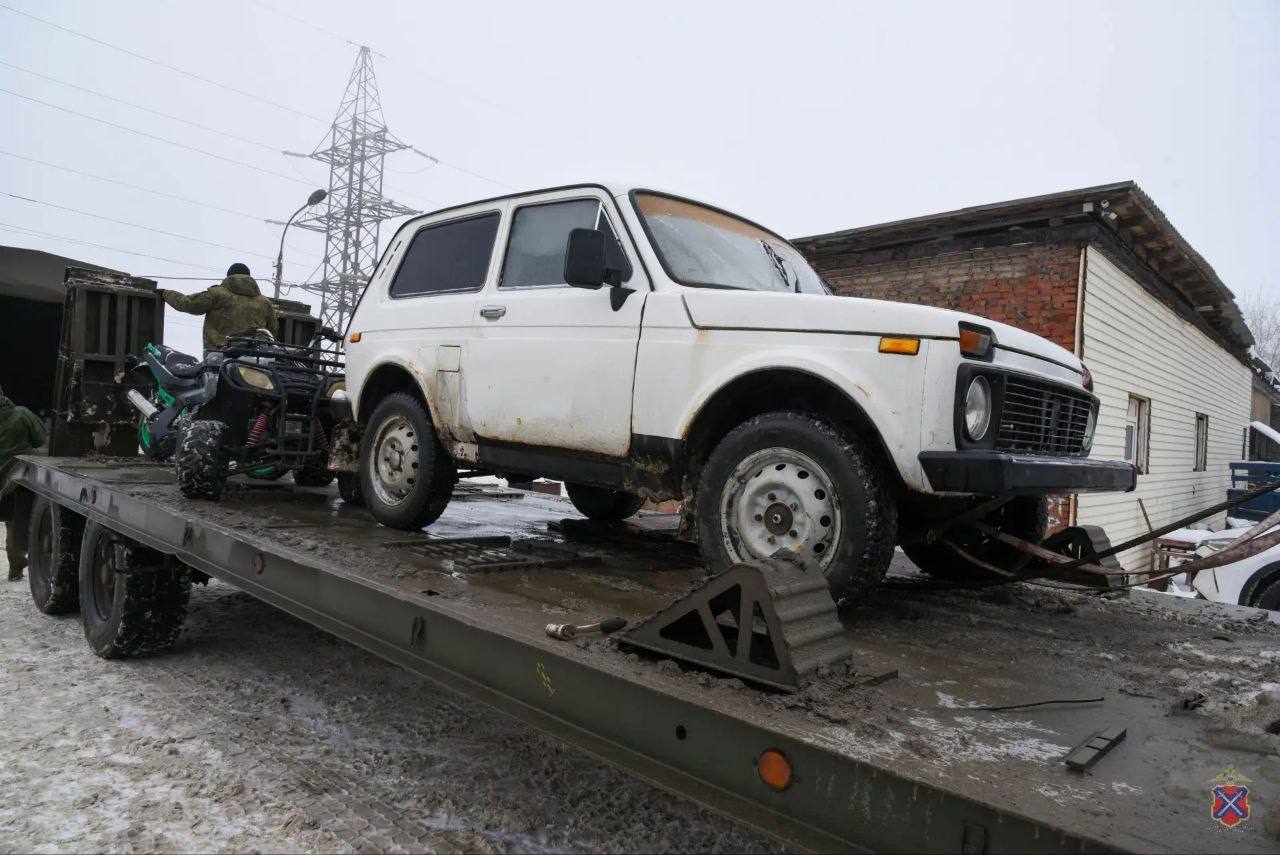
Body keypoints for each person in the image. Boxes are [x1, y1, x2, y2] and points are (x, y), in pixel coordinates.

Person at [160, 263, 277, 352]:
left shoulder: (217, 294)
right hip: (254, 357)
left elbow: (188, 304)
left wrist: (166, 293)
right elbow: (272, 330)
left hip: (219, 353)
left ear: (228, 276)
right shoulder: (264, 303)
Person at [0, 383, 47, 580]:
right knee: (14, 523)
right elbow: (40, 438)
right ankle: (16, 569)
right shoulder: (21, 414)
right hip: (16, 477)